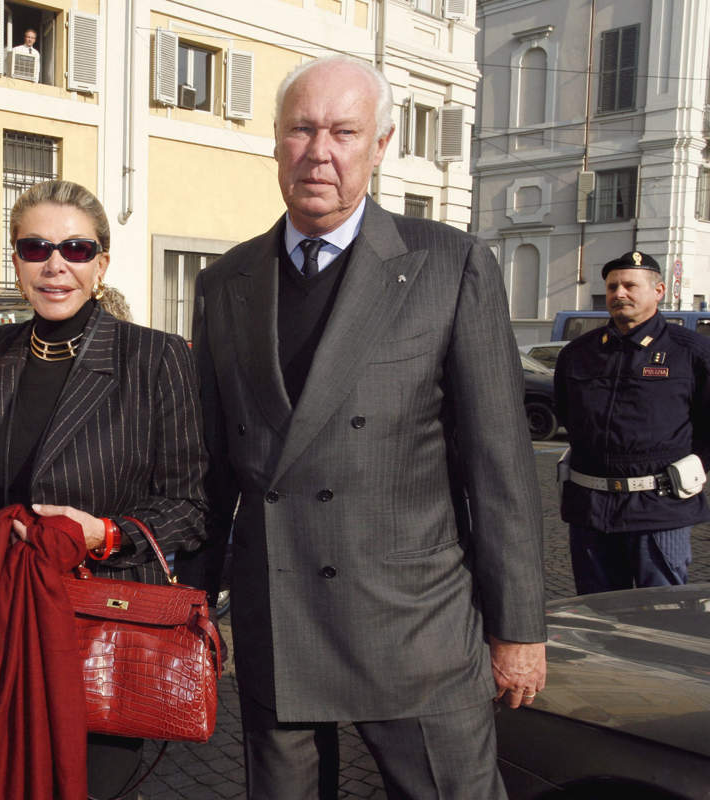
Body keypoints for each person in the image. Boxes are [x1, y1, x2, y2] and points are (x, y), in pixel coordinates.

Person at [176, 55, 547, 799]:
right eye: (301, 130)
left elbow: (498, 464)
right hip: (278, 619)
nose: (320, 151)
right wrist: (192, 606)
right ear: (276, 141)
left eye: (344, 132)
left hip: (415, 629)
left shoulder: (449, 264)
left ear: (379, 146)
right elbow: (211, 472)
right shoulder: (226, 282)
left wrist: (518, 629)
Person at [0, 179, 208, 799]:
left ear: (102, 263)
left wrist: (105, 534)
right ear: (14, 259)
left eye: (75, 248)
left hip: (98, 632)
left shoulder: (154, 358)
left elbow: (190, 505)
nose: (55, 265)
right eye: (35, 248)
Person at [554, 250, 710, 594]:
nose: (618, 294)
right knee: (596, 617)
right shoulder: (578, 353)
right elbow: (567, 415)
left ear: (658, 291)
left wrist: (698, 464)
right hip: (590, 511)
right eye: (612, 287)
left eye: (629, 285)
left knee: (662, 614)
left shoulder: (692, 352)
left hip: (659, 510)